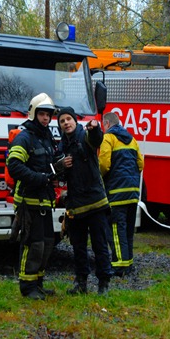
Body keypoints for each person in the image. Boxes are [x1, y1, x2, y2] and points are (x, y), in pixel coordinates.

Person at [6, 93, 59, 300]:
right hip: (29, 201)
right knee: (32, 243)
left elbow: (51, 165)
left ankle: (38, 282)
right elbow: (14, 166)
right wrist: (40, 178)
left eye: (48, 115)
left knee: (46, 243)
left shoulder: (46, 138)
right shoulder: (24, 137)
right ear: (33, 114)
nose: (46, 118)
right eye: (42, 114)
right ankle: (27, 287)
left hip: (45, 200)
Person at [56, 107, 113, 295]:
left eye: (68, 119)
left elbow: (96, 140)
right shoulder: (62, 146)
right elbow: (57, 172)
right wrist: (60, 165)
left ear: (75, 121)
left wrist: (96, 128)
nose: (66, 123)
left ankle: (103, 284)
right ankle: (81, 284)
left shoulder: (85, 137)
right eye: (62, 121)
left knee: (100, 246)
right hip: (75, 207)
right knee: (78, 248)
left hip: (96, 204)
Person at [99, 112, 144, 277]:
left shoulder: (108, 138)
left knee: (117, 231)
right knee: (128, 231)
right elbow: (141, 163)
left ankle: (119, 266)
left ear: (107, 124)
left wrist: (100, 178)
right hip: (132, 193)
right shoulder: (132, 139)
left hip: (116, 192)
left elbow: (104, 163)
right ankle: (129, 263)